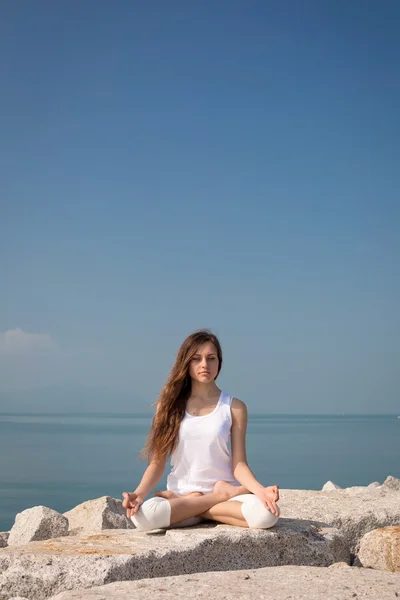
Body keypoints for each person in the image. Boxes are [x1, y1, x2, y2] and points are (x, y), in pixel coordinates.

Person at [122, 329, 280, 531]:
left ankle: (197, 507)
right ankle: (216, 499)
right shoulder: (168, 406)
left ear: (219, 362)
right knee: (142, 518)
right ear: (186, 363)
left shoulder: (234, 407)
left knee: (266, 515)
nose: (204, 364)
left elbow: (239, 464)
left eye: (211, 358)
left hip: (190, 500)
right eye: (196, 359)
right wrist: (139, 495)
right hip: (191, 493)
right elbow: (157, 463)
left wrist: (260, 491)